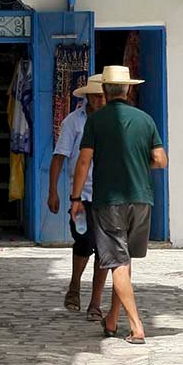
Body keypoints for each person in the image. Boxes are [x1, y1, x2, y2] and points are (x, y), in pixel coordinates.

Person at [71, 64, 167, 345]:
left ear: (104, 90)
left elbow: (84, 161)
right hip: (142, 199)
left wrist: (75, 198)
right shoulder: (145, 120)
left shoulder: (96, 121)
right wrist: (139, 163)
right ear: (129, 89)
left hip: (109, 201)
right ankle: (112, 320)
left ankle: (137, 326)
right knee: (123, 262)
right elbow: (161, 160)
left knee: (118, 262)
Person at [48, 74, 108, 318]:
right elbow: (59, 156)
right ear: (87, 97)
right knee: (84, 241)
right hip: (81, 195)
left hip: (107, 195)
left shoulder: (112, 122)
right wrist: (53, 191)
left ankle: (95, 302)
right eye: (95, 96)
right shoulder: (73, 122)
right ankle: (75, 283)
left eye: (103, 96)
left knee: (104, 249)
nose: (100, 100)